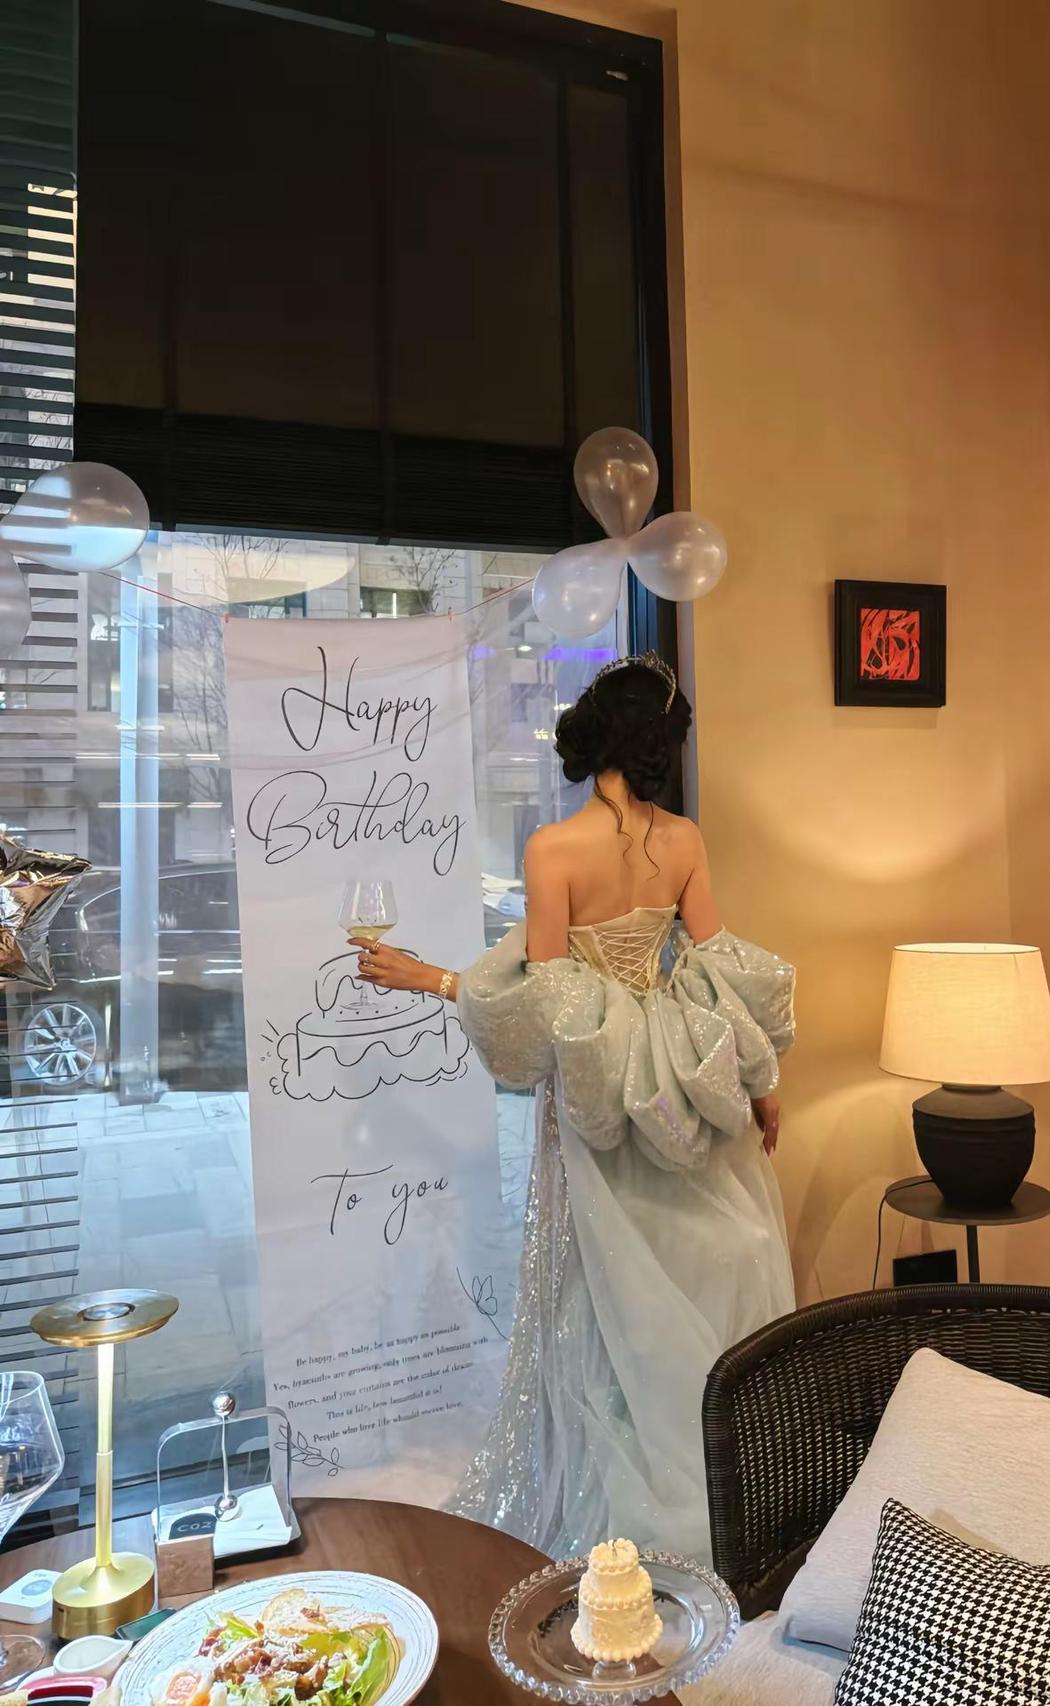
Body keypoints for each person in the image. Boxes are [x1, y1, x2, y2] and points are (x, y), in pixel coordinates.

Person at [349, 650, 796, 1560]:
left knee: (602, 1296)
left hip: (600, 1090)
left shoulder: (554, 849)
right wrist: (759, 1082)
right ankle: (719, 1482)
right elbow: (719, 968)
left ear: (595, 738)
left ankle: (624, 1510)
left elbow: (549, 1003)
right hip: (680, 1079)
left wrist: (435, 979)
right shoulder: (684, 841)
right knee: (696, 1273)